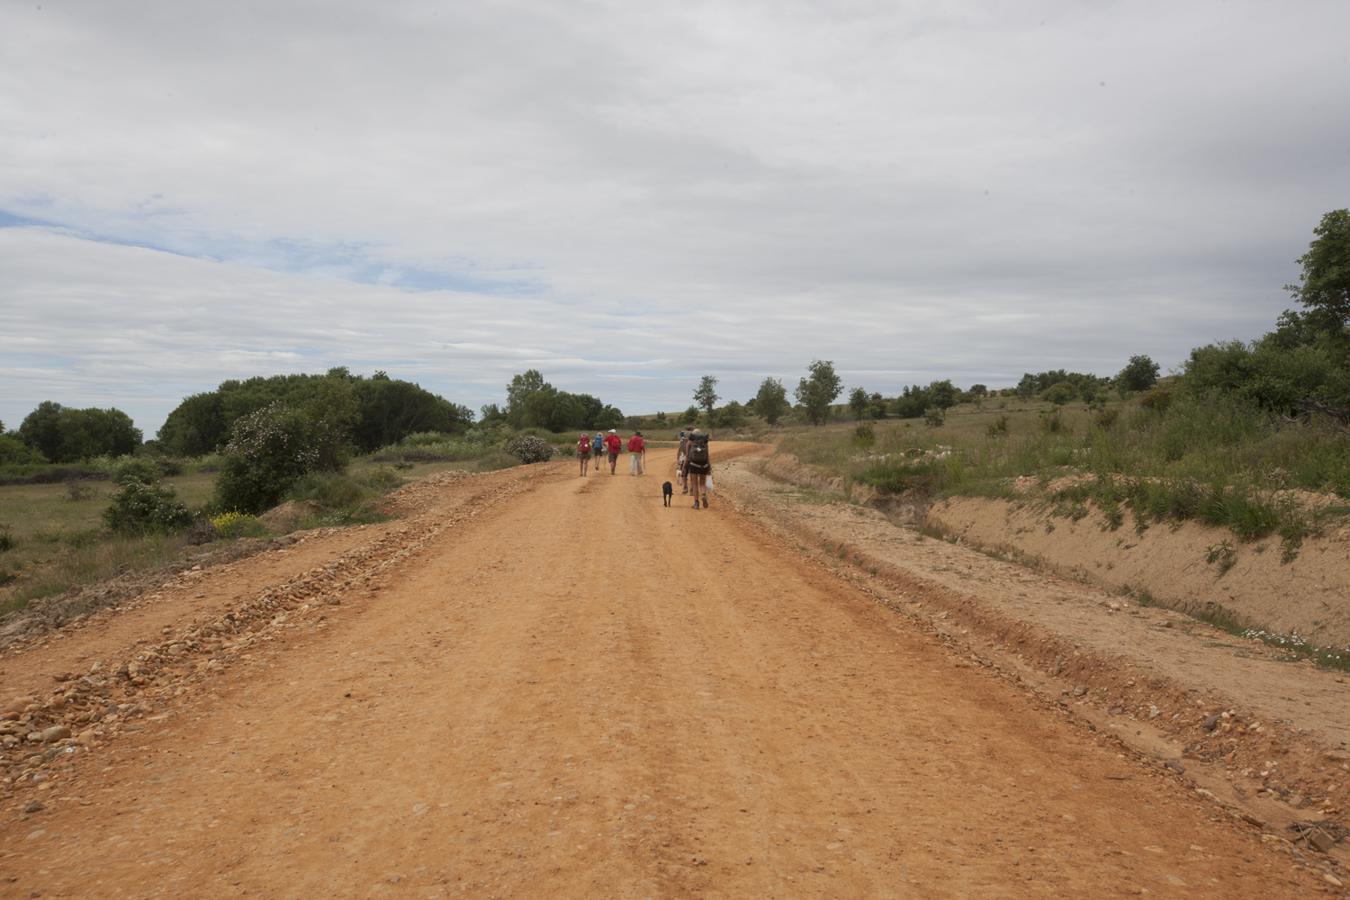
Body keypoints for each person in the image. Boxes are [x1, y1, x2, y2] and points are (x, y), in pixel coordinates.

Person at [685, 428, 711, 508]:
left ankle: (696, 503)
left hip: (693, 464)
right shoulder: (705, 442)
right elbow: (707, 455)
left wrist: (685, 466)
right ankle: (703, 495)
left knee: (694, 484)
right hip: (704, 464)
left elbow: (687, 457)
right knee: (702, 483)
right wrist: (709, 466)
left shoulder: (689, 442)